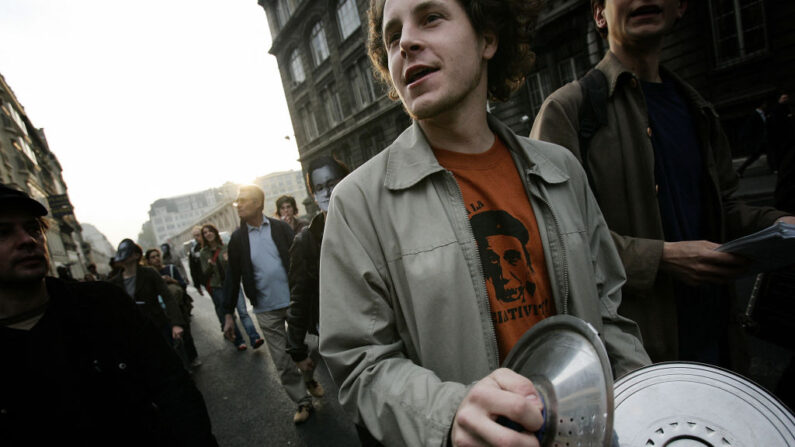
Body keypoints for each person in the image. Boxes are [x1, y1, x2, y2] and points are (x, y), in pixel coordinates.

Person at [318, 1, 651, 445]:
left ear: (488, 38)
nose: (406, 44)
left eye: (431, 18)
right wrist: (449, 415)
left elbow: (608, 312)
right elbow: (361, 364)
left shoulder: (562, 170)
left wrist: (647, 402)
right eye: (392, 36)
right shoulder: (358, 202)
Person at [531, 0, 795, 366]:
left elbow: (723, 207)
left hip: (716, 344)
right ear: (598, 14)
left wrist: (775, 225)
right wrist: (663, 258)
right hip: (635, 358)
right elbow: (554, 242)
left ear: (682, 7)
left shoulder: (697, 107)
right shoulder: (569, 110)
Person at [0, 183, 217, 445]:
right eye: (3, 232)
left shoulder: (101, 304)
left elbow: (173, 386)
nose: (27, 240)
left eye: (33, 228)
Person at [223, 185, 323, 424]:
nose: (239, 204)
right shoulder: (238, 239)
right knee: (281, 360)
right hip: (265, 308)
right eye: (237, 201)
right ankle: (302, 402)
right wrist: (227, 313)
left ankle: (308, 378)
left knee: (314, 345)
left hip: (294, 302)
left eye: (243, 200)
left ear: (258, 203)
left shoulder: (279, 228)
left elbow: (302, 260)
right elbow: (232, 275)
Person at [285, 156, 351, 403]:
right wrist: (297, 351)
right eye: (320, 188)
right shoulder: (305, 242)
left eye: (333, 183)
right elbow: (299, 297)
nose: (327, 192)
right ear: (313, 195)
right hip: (341, 338)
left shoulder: (371, 220)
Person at [109, 239, 185, 345]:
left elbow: (167, 297)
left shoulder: (149, 273)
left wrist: (176, 324)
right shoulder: (115, 282)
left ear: (136, 255)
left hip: (157, 325)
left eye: (128, 254)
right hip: (134, 332)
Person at [199, 224, 262, 351]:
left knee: (243, 312)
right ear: (203, 237)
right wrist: (210, 265)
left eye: (210, 231)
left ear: (215, 233)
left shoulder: (226, 248)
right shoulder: (203, 253)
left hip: (232, 284)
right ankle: (239, 341)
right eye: (205, 233)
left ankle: (254, 337)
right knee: (229, 315)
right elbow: (205, 273)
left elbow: (235, 266)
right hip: (218, 287)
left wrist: (228, 261)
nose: (208, 234)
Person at [145, 247, 201, 369]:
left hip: (178, 307)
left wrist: (171, 280)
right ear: (148, 261)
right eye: (152, 257)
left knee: (185, 334)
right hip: (162, 311)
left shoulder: (170, 269)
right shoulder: (149, 275)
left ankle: (192, 358)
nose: (156, 259)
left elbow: (182, 285)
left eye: (157, 256)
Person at [188, 226, 206, 297]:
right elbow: (193, 269)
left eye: (198, 235)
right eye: (194, 236)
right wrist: (197, 285)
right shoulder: (193, 251)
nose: (196, 238)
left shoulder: (212, 245)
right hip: (207, 280)